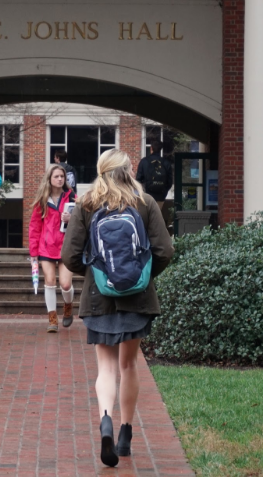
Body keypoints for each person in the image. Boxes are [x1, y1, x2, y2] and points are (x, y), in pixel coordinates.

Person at [61, 149, 174, 467]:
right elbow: (165, 250)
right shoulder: (146, 202)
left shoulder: (87, 203)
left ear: (101, 171)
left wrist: (99, 274)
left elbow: (70, 256)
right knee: (129, 366)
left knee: (106, 369)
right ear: (129, 172)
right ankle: (125, 433)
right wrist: (142, 276)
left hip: (99, 299)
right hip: (137, 299)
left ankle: (106, 421)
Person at [29, 164, 76, 333]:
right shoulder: (42, 200)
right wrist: (33, 253)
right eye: (56, 176)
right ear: (49, 178)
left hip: (65, 247)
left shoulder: (72, 198)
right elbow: (34, 227)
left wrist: (71, 218)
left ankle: (68, 305)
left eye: (62, 176)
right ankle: (52, 318)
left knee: (65, 284)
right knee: (49, 281)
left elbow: (82, 222)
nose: (59, 179)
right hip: (46, 248)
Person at [135, 139, 173, 209]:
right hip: (160, 196)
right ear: (160, 150)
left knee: (146, 217)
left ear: (151, 148)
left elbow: (138, 180)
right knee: (156, 216)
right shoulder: (166, 163)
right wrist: (163, 192)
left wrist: (142, 193)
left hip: (147, 195)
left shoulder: (144, 161)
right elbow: (169, 182)